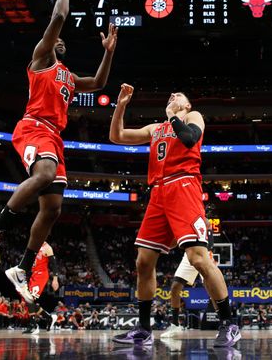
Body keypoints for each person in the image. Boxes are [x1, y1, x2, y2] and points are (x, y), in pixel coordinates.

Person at [0, 0, 118, 302]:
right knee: (43, 176)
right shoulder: (41, 59)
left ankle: (22, 267)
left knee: (53, 209)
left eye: (64, 42)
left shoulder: (68, 76)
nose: (62, 42)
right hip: (34, 127)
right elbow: (58, 18)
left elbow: (98, 82)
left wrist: (108, 53)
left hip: (55, 137)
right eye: (58, 40)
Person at [108, 85, 240, 348]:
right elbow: (117, 136)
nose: (173, 96)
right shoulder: (156, 128)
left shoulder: (194, 117)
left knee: (199, 259)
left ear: (187, 105)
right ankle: (144, 329)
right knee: (143, 262)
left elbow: (190, 138)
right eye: (170, 96)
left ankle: (229, 323)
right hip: (158, 192)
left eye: (178, 96)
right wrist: (121, 106)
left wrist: (172, 116)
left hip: (184, 185)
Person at [161, 206, 218, 338]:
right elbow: (175, 242)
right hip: (189, 254)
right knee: (175, 288)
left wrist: (209, 252)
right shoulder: (180, 219)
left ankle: (225, 325)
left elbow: (208, 227)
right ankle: (175, 326)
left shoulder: (202, 219)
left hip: (204, 253)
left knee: (212, 290)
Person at [23, 242, 60, 334]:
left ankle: (33, 325)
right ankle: (48, 317)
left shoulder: (47, 247)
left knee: (30, 299)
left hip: (41, 275)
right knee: (27, 301)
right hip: (33, 275)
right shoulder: (33, 245)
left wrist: (55, 279)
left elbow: (54, 264)